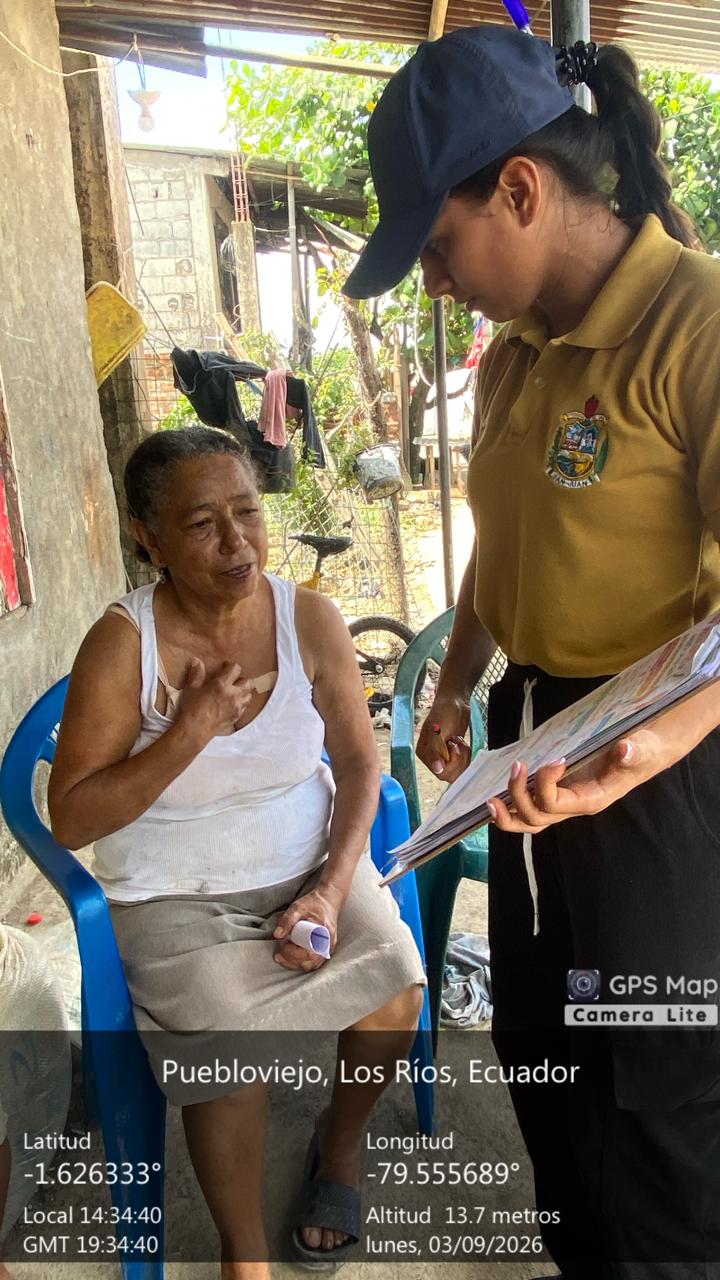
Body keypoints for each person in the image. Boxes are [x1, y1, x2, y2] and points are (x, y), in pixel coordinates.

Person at [344, 24, 720, 1280]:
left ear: (519, 188)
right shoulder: (513, 359)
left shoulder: (697, 323)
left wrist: (646, 749)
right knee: (547, 1051)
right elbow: (505, 549)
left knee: (655, 1088)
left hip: (669, 767)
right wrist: (458, 683)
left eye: (437, 247)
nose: (436, 283)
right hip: (536, 749)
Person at [48, 426, 425, 1280]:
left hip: (306, 868)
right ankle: (243, 1253)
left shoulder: (308, 620)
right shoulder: (124, 643)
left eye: (248, 513)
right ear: (148, 538)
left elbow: (360, 764)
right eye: (202, 524)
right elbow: (70, 818)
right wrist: (186, 733)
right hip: (173, 898)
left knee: (397, 984)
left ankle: (338, 1150)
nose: (238, 543)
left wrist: (331, 890)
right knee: (226, 1044)